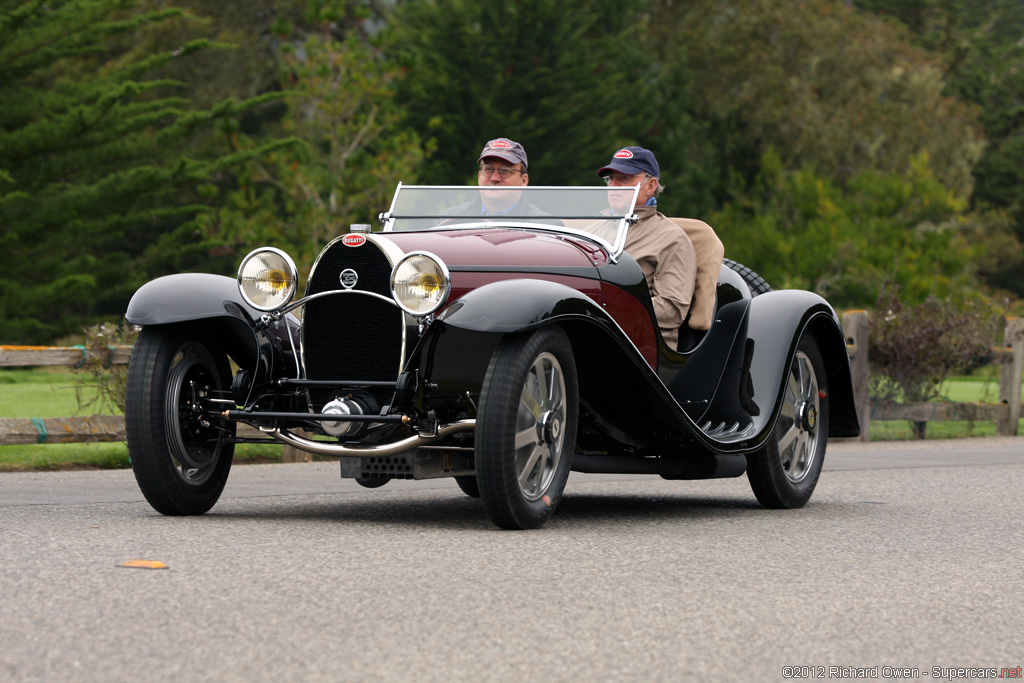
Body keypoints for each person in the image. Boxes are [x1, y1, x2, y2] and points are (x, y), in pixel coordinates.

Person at [598, 146, 696, 348]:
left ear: (650, 186)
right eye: (610, 178)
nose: (614, 185)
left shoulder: (672, 238)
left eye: (624, 178)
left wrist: (608, 309)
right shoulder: (591, 229)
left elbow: (673, 309)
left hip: (642, 347)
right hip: (588, 333)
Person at [442, 138, 552, 218]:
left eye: (505, 171)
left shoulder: (545, 227)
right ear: (479, 176)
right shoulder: (449, 219)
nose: (495, 178)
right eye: (488, 169)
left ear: (524, 181)